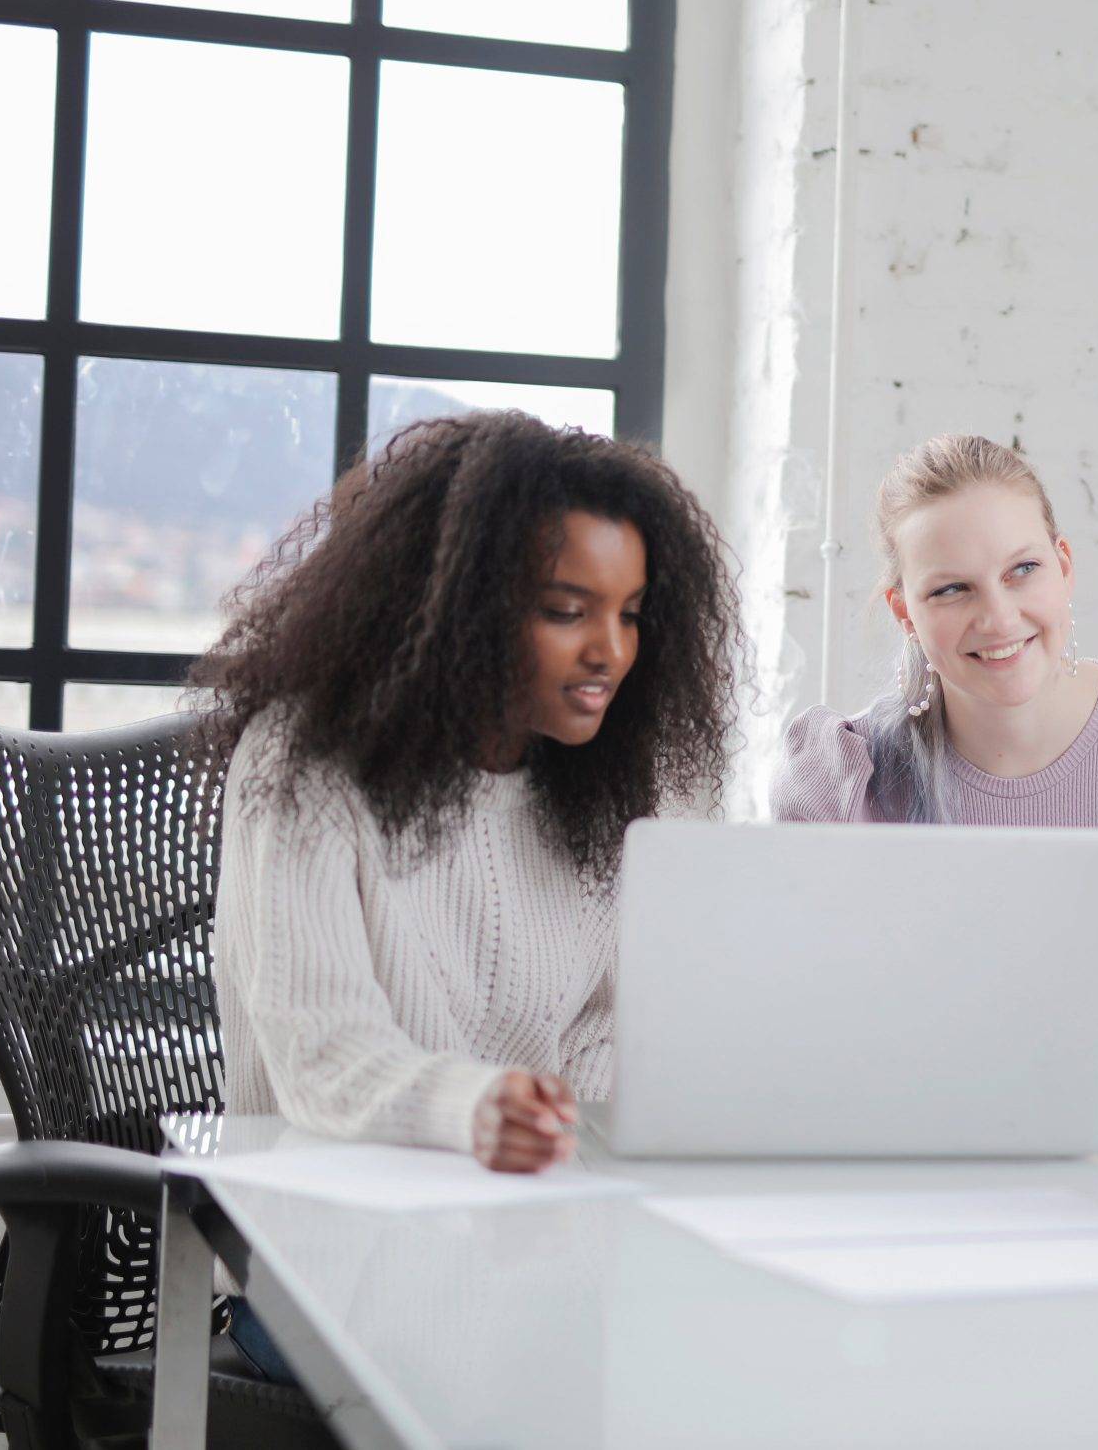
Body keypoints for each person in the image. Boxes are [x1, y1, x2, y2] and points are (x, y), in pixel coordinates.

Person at [197, 412, 743, 1171]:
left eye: (630, 614)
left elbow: (601, 1034)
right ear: (460, 606)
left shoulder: (605, 789)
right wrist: (473, 1110)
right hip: (326, 1240)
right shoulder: (304, 761)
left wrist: (558, 1140)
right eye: (565, 611)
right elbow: (320, 1053)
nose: (610, 652)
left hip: (526, 1235)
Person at [773, 433, 1098, 1114]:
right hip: (908, 1172)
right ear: (903, 611)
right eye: (950, 588)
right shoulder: (839, 776)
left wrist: (965, 1088)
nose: (998, 616)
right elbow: (807, 1034)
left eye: (1023, 570)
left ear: (1064, 566)